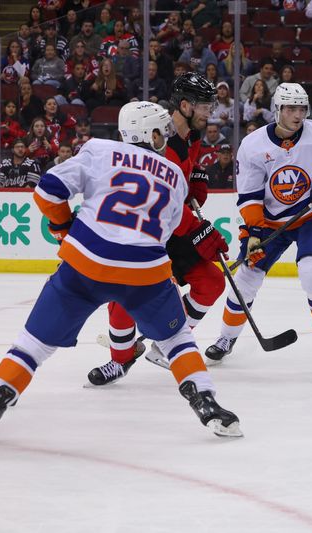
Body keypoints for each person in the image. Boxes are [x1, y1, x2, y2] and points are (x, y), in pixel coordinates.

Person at [0, 101, 242, 443]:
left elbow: (48, 190)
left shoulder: (99, 150)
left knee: (32, 344)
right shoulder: (174, 176)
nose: (166, 137)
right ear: (151, 133)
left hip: (85, 263)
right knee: (177, 339)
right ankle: (207, 402)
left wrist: (65, 224)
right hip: (144, 273)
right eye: (162, 131)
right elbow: (163, 234)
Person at [206, 82, 312, 364]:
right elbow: (249, 195)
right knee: (246, 278)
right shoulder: (253, 145)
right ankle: (226, 337)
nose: (297, 114)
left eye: (302, 108)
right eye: (291, 108)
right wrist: (253, 231)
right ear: (277, 110)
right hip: (269, 223)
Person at [87, 73, 229, 384]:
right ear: (185, 106)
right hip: (148, 232)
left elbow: (180, 184)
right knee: (124, 297)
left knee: (212, 282)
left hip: (173, 230)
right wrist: (200, 231)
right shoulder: (156, 139)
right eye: (205, 106)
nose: (210, 113)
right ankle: (120, 360)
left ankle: (166, 347)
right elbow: (163, 206)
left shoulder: (191, 135)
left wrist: (194, 179)